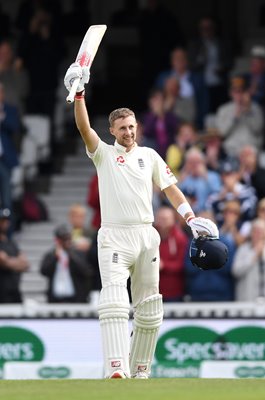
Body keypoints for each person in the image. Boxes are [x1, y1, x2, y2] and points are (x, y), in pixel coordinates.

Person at [64, 62, 219, 379]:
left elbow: (170, 189)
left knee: (150, 308)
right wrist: (79, 94)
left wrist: (189, 218)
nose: (129, 131)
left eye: (132, 126)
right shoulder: (103, 154)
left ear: (138, 127)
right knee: (116, 303)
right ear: (112, 131)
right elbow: (83, 128)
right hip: (114, 236)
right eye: (122, 128)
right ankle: (116, 368)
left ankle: (141, 369)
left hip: (146, 235)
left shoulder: (149, 156)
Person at [40, 224, 93, 303]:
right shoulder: (51, 254)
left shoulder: (78, 253)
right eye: (63, 239)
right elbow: (44, 271)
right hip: (55, 299)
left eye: (68, 238)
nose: (66, 242)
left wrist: (70, 254)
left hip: (76, 298)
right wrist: (55, 258)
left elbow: (86, 271)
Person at [215, 75, 264, 157]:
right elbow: (222, 133)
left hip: (253, 151)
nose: (239, 95)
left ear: (246, 92)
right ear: (231, 93)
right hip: (231, 151)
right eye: (235, 91)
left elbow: (258, 129)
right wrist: (235, 117)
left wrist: (248, 111)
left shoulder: (255, 108)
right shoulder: (223, 110)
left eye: (241, 91)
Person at [154, 206, 188, 302]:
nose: (162, 222)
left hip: (173, 291)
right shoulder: (149, 236)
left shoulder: (180, 238)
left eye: (166, 219)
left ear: (173, 220)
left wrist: (163, 265)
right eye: (160, 218)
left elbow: (182, 264)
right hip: (152, 290)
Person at [0, 208, 29, 303]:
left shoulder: (11, 243)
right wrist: (16, 262)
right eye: (2, 221)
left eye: (6, 221)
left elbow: (25, 264)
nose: (5, 223)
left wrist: (8, 261)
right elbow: (2, 260)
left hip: (14, 292)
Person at [232, 218, 265, 301]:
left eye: (260, 232)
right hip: (246, 299)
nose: (257, 235)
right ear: (251, 233)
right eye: (255, 231)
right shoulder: (242, 249)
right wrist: (254, 254)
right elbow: (236, 271)